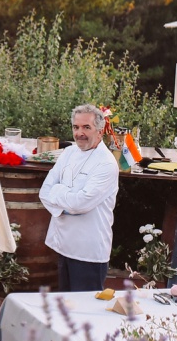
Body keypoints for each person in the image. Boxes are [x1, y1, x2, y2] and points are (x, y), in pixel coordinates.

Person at [39, 103, 120, 291]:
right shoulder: (68, 153)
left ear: (100, 132)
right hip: (62, 245)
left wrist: (58, 193)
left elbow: (81, 204)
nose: (79, 133)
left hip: (89, 252)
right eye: (76, 127)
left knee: (85, 313)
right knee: (64, 310)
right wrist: (68, 201)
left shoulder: (106, 163)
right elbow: (44, 192)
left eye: (86, 127)